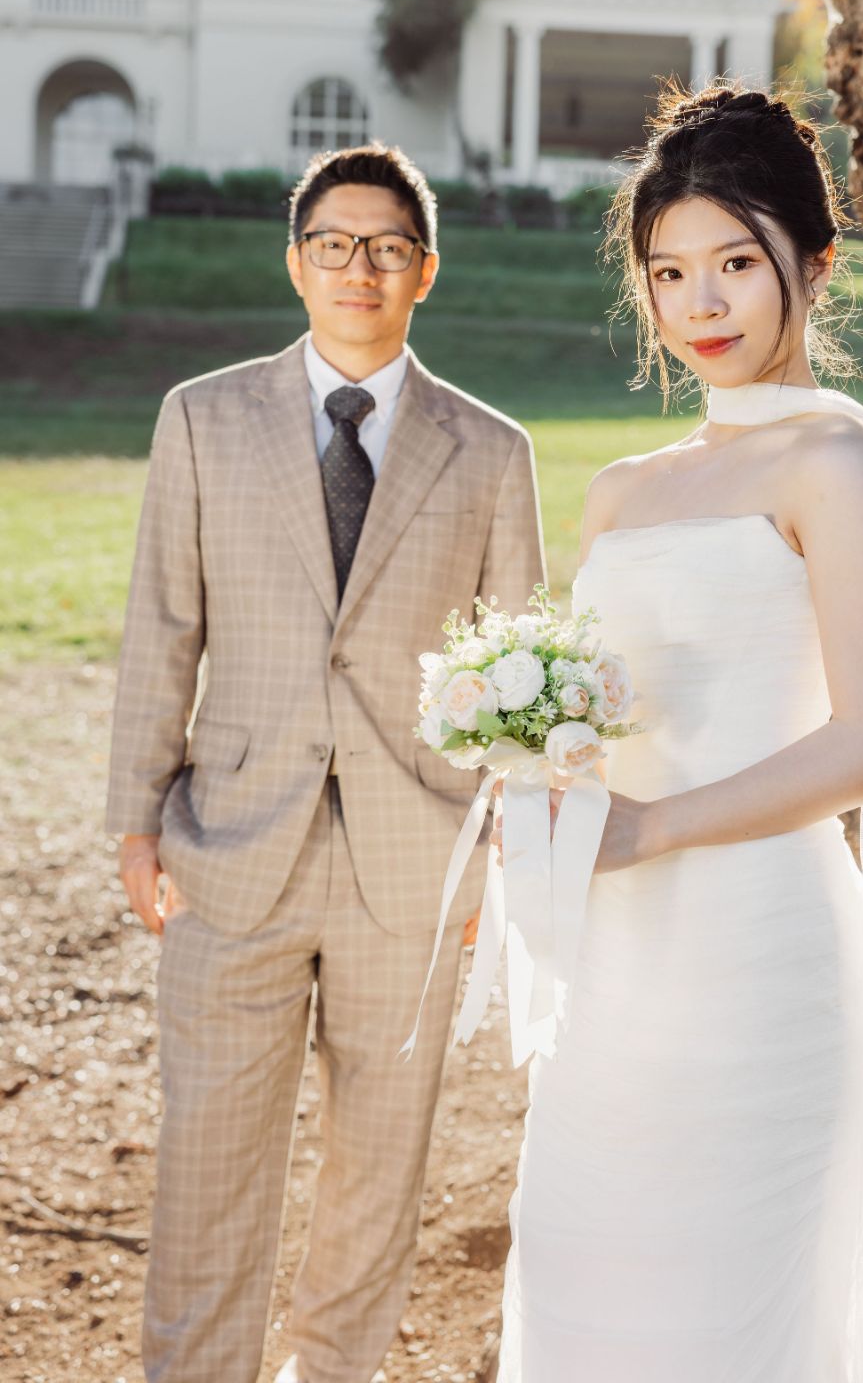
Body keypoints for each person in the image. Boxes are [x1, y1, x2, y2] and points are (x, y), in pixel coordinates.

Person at [492, 82, 863, 1380]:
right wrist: (536, 777)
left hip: (764, 960)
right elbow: (597, 707)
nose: (700, 304)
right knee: (588, 1275)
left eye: (734, 265)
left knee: (737, 1311)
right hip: (617, 968)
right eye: (669, 271)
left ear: (811, 263)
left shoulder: (832, 461)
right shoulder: (622, 491)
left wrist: (648, 829)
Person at [106, 141, 546, 1383]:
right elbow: (162, 627)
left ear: (427, 270)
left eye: (388, 247)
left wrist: (495, 861)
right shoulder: (201, 418)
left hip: (416, 871)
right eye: (335, 243)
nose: (361, 266)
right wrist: (135, 818)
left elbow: (511, 666)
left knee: (378, 1172)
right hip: (227, 850)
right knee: (208, 1163)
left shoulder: (490, 449)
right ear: (295, 261)